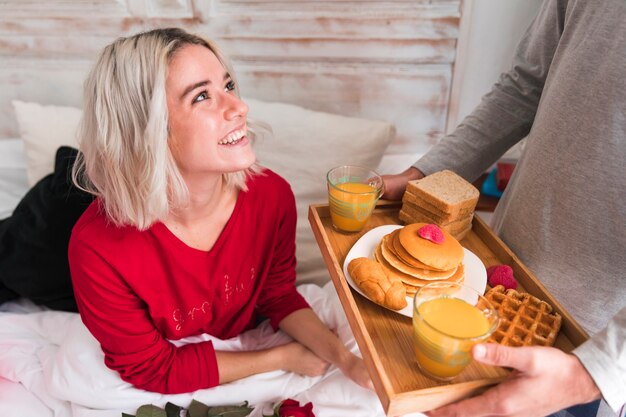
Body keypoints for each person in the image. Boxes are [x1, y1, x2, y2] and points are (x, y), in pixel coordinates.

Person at [68, 27, 372, 394]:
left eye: (227, 86)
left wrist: (347, 360)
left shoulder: (271, 196)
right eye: (201, 97)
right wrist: (281, 358)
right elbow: (151, 370)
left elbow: (276, 295)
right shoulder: (96, 249)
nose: (239, 107)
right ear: (147, 129)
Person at [382, 1, 625, 416]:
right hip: (494, 268)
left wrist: (594, 373)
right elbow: (526, 86)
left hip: (584, 350)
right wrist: (425, 174)